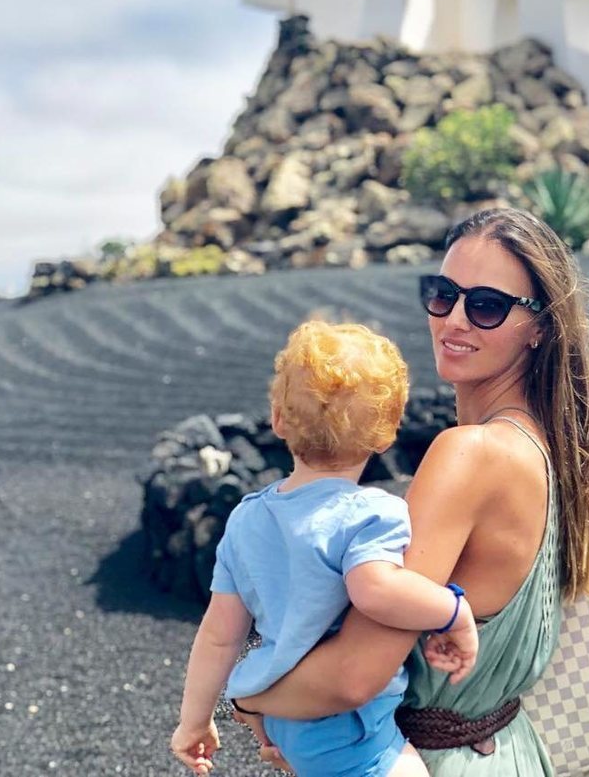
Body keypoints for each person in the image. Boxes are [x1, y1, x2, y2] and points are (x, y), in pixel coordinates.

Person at [235, 206, 589, 773]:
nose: (455, 320)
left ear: (541, 325)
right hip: (507, 751)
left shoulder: (469, 454)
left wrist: (240, 690)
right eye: (444, 294)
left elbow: (354, 675)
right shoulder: (546, 446)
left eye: (487, 305)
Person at [170, 320, 480, 777]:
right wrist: (455, 613)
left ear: (278, 419)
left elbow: (219, 634)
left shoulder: (247, 518)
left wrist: (193, 722)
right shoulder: (372, 512)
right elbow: (375, 589)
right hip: (344, 727)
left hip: (281, 716)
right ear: (386, 435)